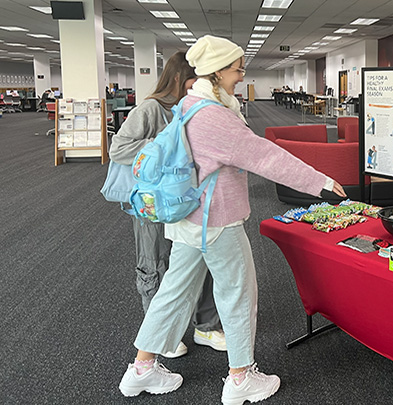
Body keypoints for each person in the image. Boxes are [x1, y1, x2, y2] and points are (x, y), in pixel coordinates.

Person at [118, 35, 347, 404]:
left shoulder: (189, 105)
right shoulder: (214, 117)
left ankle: (141, 370)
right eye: (238, 69)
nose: (241, 75)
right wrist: (319, 182)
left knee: (173, 294)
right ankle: (241, 377)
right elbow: (265, 156)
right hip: (216, 221)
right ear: (218, 70)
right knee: (239, 295)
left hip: (188, 219)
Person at [109, 52, 226, 360]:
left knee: (200, 259)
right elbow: (118, 149)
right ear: (177, 78)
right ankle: (159, 333)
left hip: (187, 199)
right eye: (193, 82)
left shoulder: (192, 107)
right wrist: (162, 144)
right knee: (154, 262)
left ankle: (206, 325)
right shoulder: (151, 109)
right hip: (152, 203)